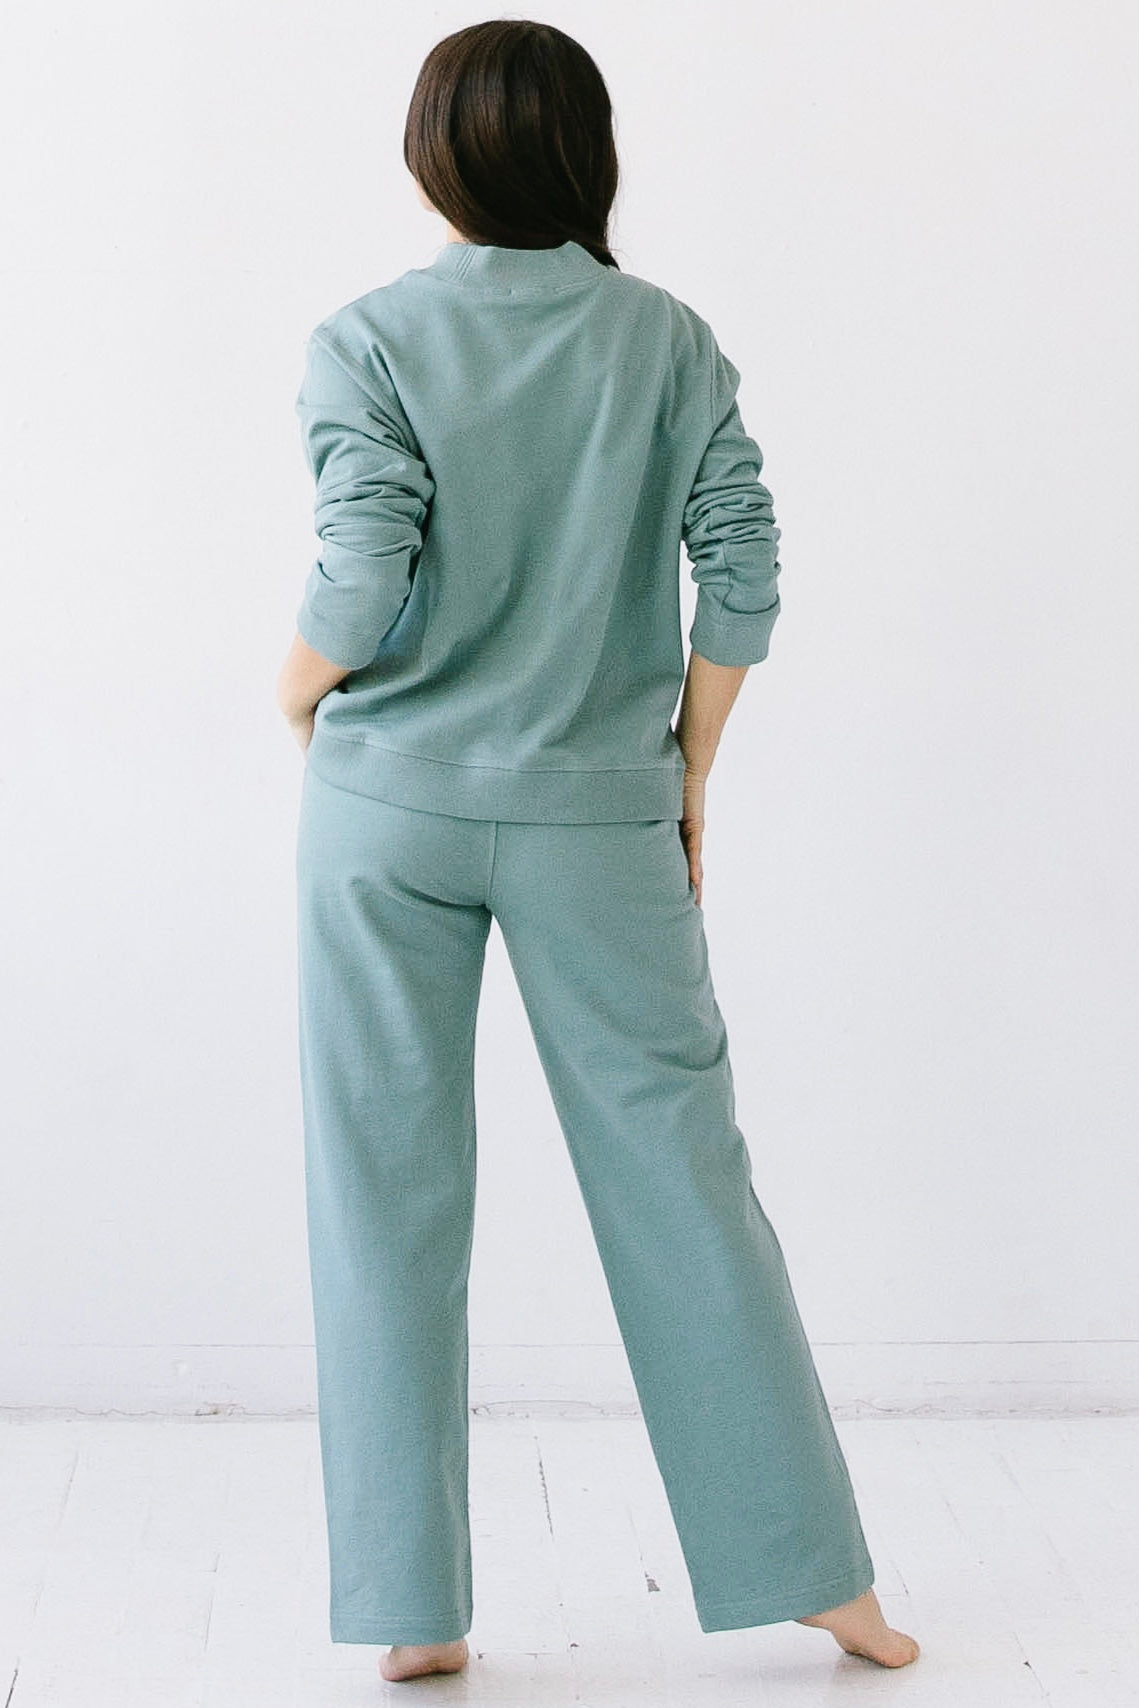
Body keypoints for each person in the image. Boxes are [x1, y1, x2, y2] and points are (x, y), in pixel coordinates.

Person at [276, 17, 920, 1686]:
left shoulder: (368, 338)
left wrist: (296, 692)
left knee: (382, 1192)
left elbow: (363, 562)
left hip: (386, 807)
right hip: (602, 815)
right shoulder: (668, 340)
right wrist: (688, 768)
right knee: (685, 1177)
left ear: (432, 156)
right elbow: (744, 561)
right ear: (588, 153)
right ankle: (822, 1580)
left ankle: (413, 1607)